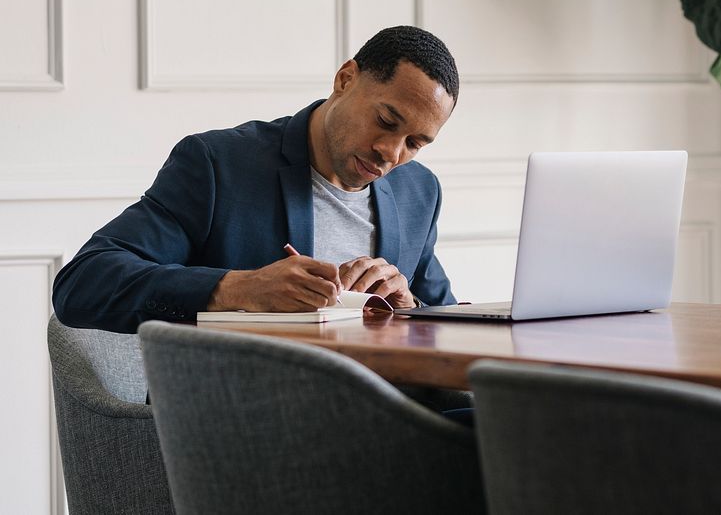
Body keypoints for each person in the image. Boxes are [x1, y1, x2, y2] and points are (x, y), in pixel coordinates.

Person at [53, 25, 459, 334]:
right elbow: (83, 283)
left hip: (392, 412)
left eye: (416, 143)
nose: (392, 152)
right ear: (345, 79)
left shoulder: (418, 192)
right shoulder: (217, 165)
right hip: (249, 419)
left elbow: (453, 326)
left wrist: (410, 307)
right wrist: (237, 289)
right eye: (386, 121)